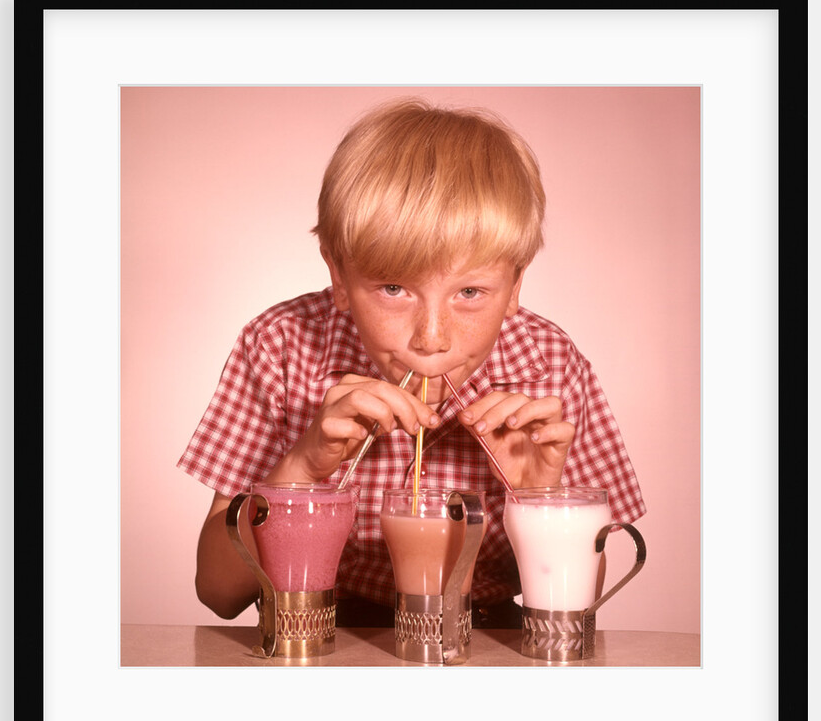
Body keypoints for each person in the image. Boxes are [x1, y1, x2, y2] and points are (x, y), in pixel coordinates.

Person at [178, 97, 646, 629]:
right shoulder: (280, 346)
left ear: (515, 285)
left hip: (494, 638)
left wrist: (539, 498)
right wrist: (302, 469)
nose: (432, 337)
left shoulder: (551, 365)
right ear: (338, 275)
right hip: (321, 631)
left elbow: (573, 604)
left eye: (470, 291)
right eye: (394, 288)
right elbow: (218, 591)